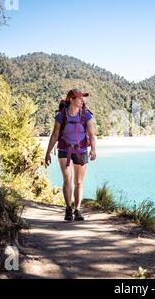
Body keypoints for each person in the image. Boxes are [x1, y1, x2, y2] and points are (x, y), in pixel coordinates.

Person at [45, 88, 97, 221]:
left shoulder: (86, 115)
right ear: (71, 99)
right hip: (64, 150)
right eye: (79, 98)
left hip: (81, 150)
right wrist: (48, 153)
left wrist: (93, 150)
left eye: (82, 98)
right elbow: (55, 135)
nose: (82, 101)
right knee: (67, 179)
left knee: (78, 182)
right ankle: (68, 209)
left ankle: (77, 210)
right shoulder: (61, 116)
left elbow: (91, 134)